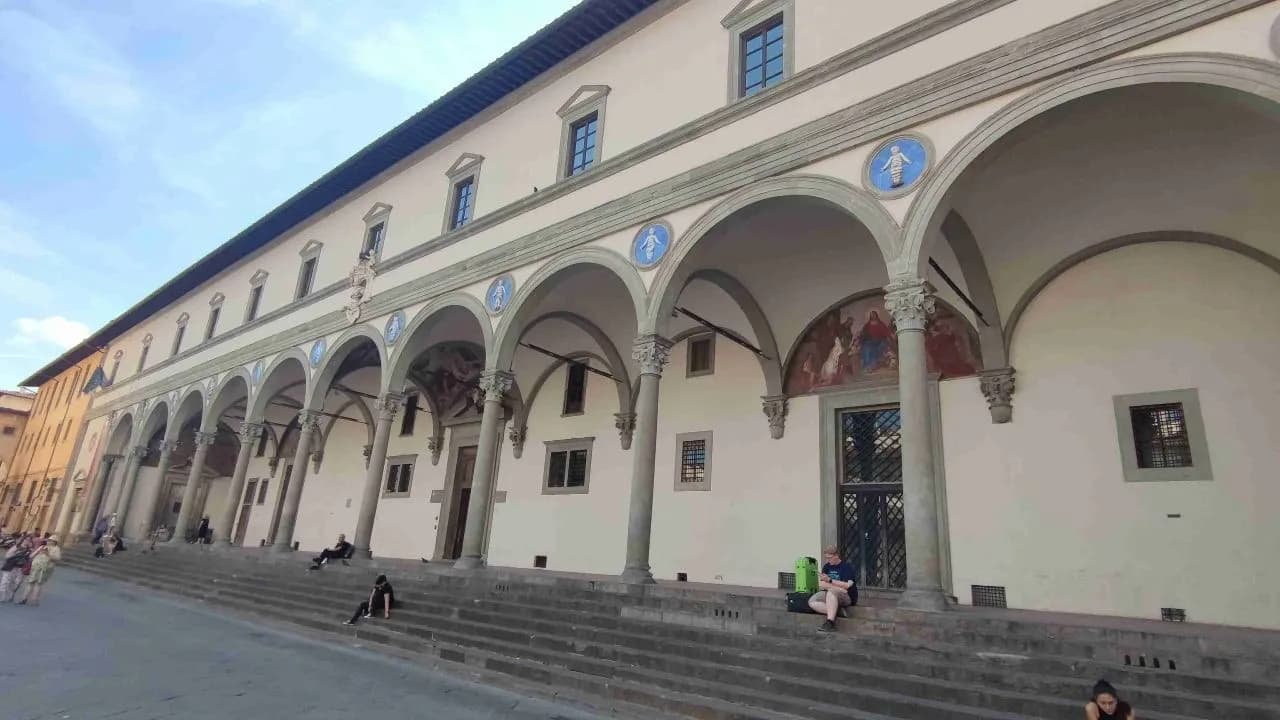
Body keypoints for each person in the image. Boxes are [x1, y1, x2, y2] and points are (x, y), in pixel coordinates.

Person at [809, 546, 857, 632]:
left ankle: (830, 622)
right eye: (826, 558)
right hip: (832, 593)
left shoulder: (846, 567)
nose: (828, 560)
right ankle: (838, 611)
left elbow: (847, 586)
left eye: (830, 558)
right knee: (812, 601)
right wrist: (839, 587)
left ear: (836, 556)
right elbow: (822, 584)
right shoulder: (827, 567)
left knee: (831, 592)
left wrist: (830, 581)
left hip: (847, 596)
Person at [18, 538, 60, 606]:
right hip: (35, 567)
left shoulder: (56, 549)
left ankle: (34, 600)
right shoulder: (43, 546)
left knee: (38, 584)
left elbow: (57, 558)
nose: (48, 541)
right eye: (48, 540)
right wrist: (38, 551)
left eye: (50, 541)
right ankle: (24, 598)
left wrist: (48, 554)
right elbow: (31, 555)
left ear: (54, 542)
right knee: (30, 582)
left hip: (44, 569)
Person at [0, 536, 33, 602]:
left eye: (29, 540)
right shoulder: (16, 547)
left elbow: (29, 559)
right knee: (5, 581)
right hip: (10, 566)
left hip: (20, 568)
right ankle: (2, 596)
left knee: (15, 583)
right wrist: (16, 554)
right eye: (26, 539)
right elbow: (7, 556)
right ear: (23, 540)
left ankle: (11, 595)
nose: (27, 541)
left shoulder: (29, 550)